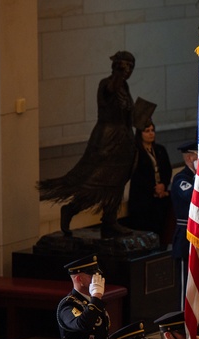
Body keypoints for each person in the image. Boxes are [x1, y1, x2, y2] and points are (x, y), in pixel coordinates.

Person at [38, 51, 139, 236]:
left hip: (124, 140)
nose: (128, 71)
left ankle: (109, 219)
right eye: (124, 66)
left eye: (131, 67)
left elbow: (127, 115)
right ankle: (71, 209)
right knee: (95, 181)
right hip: (108, 140)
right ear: (116, 67)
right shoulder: (108, 84)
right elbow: (111, 90)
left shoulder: (125, 86)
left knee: (117, 183)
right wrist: (118, 73)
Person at [122, 121, 172, 239]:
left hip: (159, 197)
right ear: (140, 134)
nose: (151, 134)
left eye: (152, 130)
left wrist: (163, 185)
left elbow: (167, 170)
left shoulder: (160, 149)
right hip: (143, 200)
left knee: (161, 230)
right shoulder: (135, 153)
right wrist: (153, 188)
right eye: (147, 131)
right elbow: (137, 175)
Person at [170, 141, 198, 303]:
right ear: (189, 158)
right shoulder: (181, 179)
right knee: (185, 286)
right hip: (186, 235)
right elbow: (192, 197)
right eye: (198, 156)